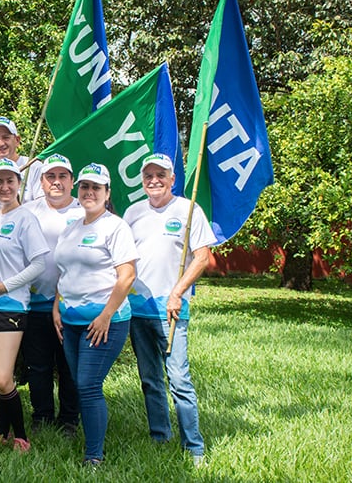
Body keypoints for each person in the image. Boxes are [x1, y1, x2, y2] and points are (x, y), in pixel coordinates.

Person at [122, 153, 213, 467]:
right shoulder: (132, 213)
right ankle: (160, 437)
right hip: (138, 310)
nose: (154, 180)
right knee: (149, 379)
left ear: (173, 179)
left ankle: (195, 447)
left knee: (179, 379)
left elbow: (202, 257)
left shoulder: (189, 209)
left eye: (161, 174)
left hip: (171, 309)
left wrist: (178, 292)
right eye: (148, 175)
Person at [53, 163, 138, 467]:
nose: (89, 193)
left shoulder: (115, 227)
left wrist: (105, 315)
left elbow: (127, 276)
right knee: (80, 383)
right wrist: (56, 306)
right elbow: (63, 271)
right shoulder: (72, 227)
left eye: (96, 188)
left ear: (107, 193)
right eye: (85, 187)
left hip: (104, 323)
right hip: (71, 322)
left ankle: (94, 456)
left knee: (88, 385)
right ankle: (91, 437)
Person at [0, 158, 49, 452]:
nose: (4, 187)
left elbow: (40, 262)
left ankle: (21, 437)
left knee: (3, 378)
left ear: (19, 184)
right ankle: (2, 432)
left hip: (10, 306)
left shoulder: (26, 219)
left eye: (10, 181)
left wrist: (4, 286)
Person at [20, 154, 81, 436]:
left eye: (62, 177)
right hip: (34, 303)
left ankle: (69, 418)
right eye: (50, 177)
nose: (56, 182)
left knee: (69, 365)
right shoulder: (27, 211)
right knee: (38, 365)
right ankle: (42, 415)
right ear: (42, 182)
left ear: (71, 181)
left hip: (72, 305)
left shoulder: (84, 211)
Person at [0, 116, 43, 202]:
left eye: (6, 137)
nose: (0, 143)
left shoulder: (34, 167)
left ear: (17, 140)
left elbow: (42, 205)